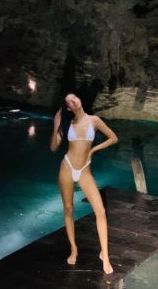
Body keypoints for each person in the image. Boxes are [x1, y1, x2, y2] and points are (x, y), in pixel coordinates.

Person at [50, 93, 118, 274]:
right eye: (69, 101)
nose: (73, 101)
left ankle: (105, 254)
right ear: (68, 108)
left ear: (80, 100)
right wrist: (56, 124)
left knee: (101, 211)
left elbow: (113, 138)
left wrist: (93, 150)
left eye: (74, 98)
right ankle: (74, 248)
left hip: (85, 171)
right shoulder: (68, 124)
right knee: (69, 209)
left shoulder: (94, 120)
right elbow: (53, 147)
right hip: (67, 167)